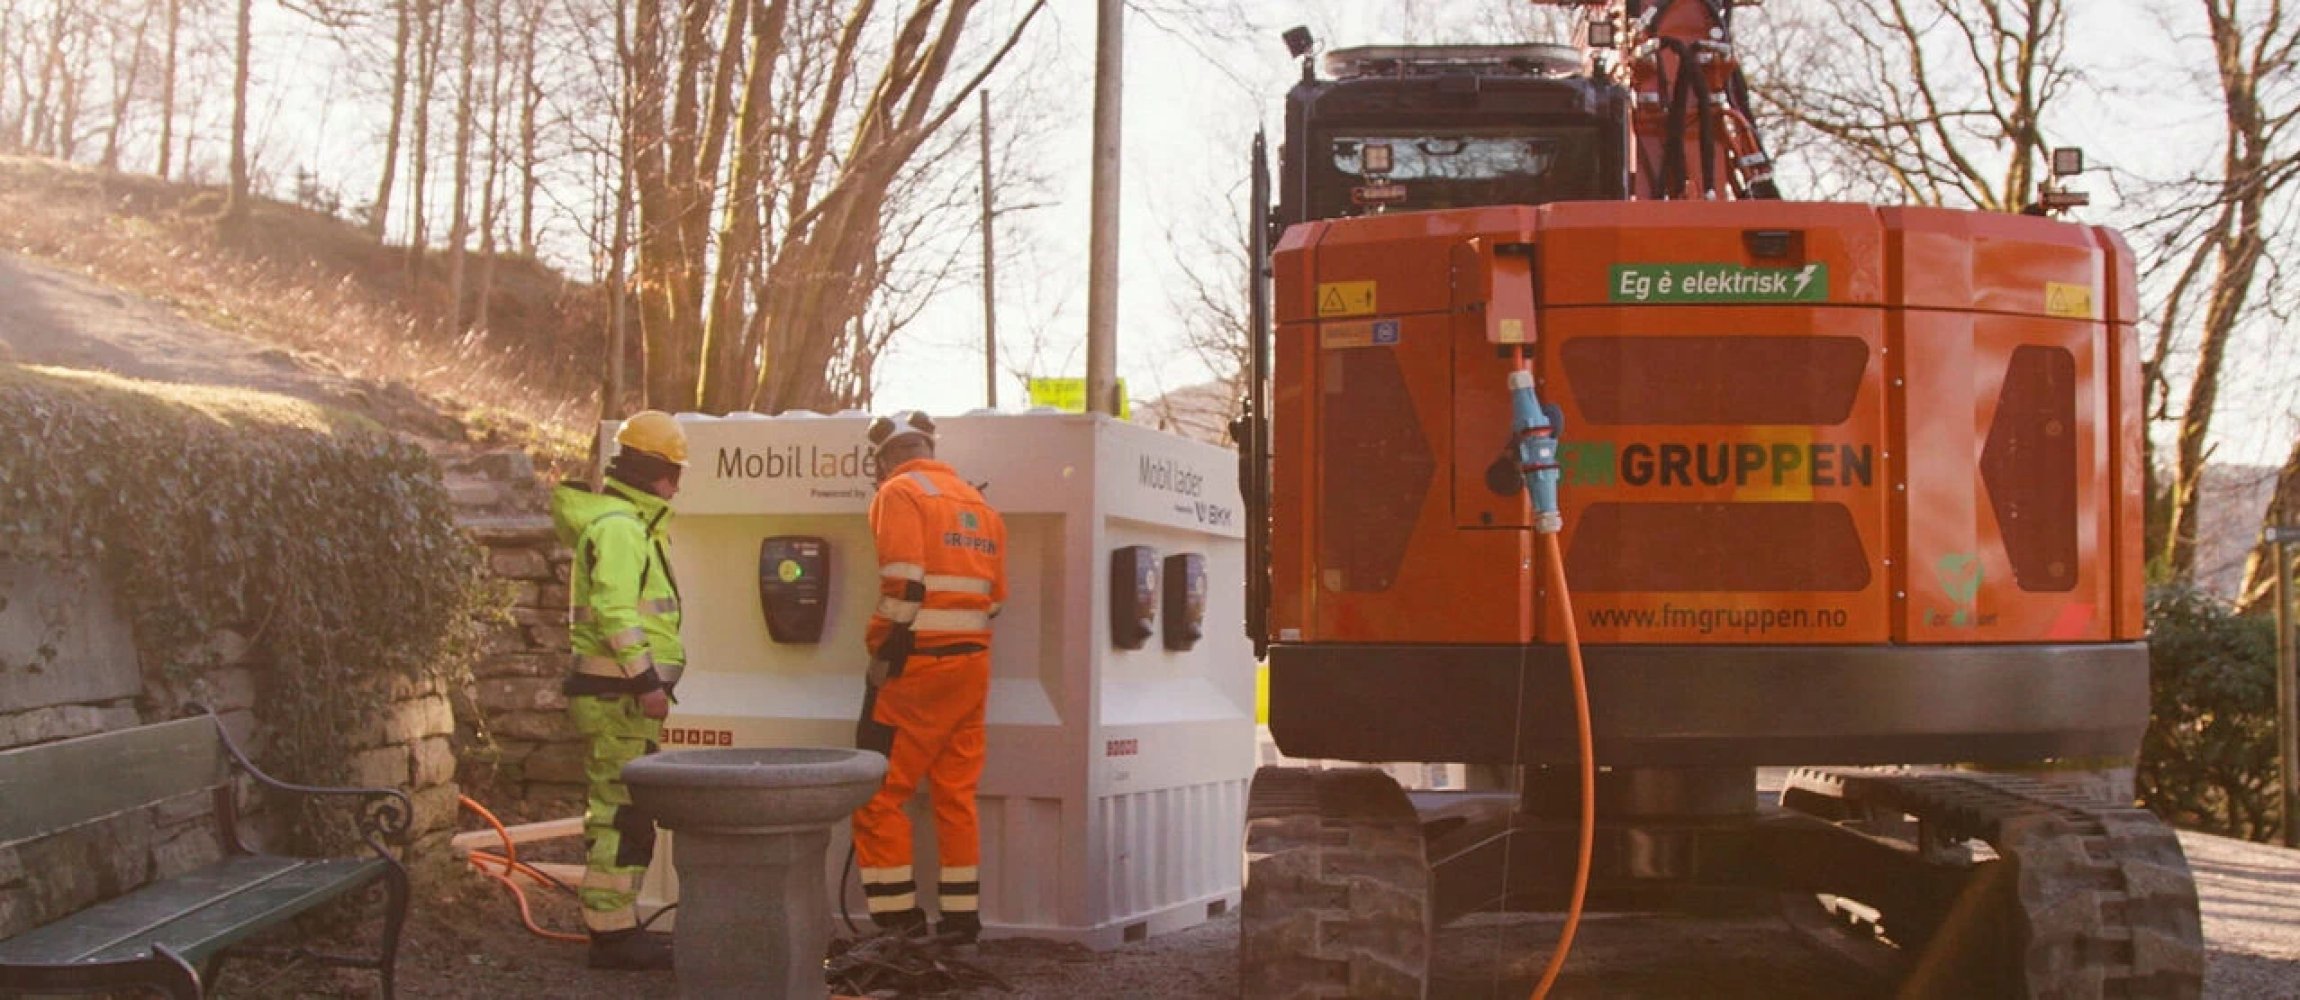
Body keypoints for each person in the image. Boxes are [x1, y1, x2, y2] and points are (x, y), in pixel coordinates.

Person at [851, 410, 1007, 944]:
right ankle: (961, 921)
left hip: (915, 667)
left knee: (878, 793)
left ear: (886, 458)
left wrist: (882, 647)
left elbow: (904, 583)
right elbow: (996, 600)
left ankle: (898, 924)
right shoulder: (978, 503)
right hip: (972, 669)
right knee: (955, 795)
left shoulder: (899, 494)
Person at [549, 410, 688, 971]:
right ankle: (611, 937)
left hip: (616, 698)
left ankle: (616, 927)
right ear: (653, 472)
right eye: (674, 473)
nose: (678, 485)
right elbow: (614, 612)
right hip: (620, 698)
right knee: (621, 814)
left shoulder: (624, 524)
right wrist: (648, 681)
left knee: (620, 810)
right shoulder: (623, 528)